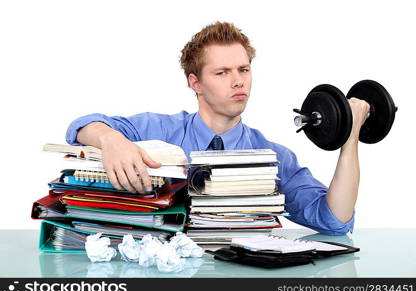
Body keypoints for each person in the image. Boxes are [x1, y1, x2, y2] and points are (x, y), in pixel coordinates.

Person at [66, 22, 370, 235]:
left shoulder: (274, 157)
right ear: (195, 82)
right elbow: (80, 127)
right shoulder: (159, 129)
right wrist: (111, 140)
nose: (238, 81)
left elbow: (335, 220)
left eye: (244, 70)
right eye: (222, 72)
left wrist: (350, 136)